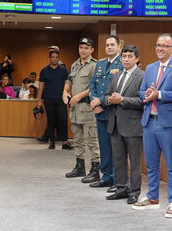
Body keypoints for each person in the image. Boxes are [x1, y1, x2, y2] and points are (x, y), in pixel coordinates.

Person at [132, 34, 172, 212]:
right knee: (151, 164)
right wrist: (146, 93)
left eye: (165, 45)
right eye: (158, 45)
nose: (160, 48)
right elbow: (140, 91)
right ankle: (153, 197)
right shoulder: (150, 67)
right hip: (149, 122)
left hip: (169, 124)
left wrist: (159, 95)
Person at [101, 45, 145, 204]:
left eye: (130, 56)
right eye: (124, 56)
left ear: (137, 58)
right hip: (115, 124)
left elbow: (143, 101)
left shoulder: (142, 76)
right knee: (118, 159)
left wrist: (123, 100)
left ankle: (134, 191)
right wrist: (109, 99)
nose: (126, 59)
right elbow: (106, 95)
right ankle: (121, 188)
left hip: (133, 126)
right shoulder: (117, 75)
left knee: (134, 162)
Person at [88, 35, 123, 189]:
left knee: (116, 146)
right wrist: (94, 102)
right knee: (104, 146)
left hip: (114, 112)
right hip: (100, 112)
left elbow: (119, 88)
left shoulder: (122, 63)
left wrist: (101, 101)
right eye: (107, 45)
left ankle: (117, 178)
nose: (109, 47)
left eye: (112, 45)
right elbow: (93, 85)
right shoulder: (100, 63)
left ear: (119, 47)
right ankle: (106, 176)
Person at [64, 38, 100, 182]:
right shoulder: (75, 64)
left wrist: (78, 96)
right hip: (75, 108)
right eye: (81, 47)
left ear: (91, 50)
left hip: (87, 108)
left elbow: (94, 87)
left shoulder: (95, 66)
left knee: (92, 140)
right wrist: (64, 91)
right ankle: (80, 167)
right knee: (78, 139)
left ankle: (95, 170)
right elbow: (69, 81)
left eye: (86, 47)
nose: (83, 50)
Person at [37, 49, 71, 149]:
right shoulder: (44, 71)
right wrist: (39, 100)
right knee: (51, 120)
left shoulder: (64, 70)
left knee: (63, 119)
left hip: (61, 99)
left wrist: (68, 96)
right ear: (50, 58)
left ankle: (65, 142)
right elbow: (41, 86)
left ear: (58, 58)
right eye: (53, 57)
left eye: (57, 57)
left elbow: (67, 84)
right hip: (49, 99)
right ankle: (52, 142)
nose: (55, 59)